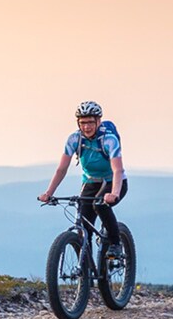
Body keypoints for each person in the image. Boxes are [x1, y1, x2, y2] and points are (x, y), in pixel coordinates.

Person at [38, 101, 128, 258]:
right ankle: (85, 272)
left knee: (100, 205)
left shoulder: (109, 140)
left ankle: (115, 243)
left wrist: (114, 193)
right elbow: (61, 169)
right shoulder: (74, 140)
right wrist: (48, 193)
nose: (86, 127)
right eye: (83, 123)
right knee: (83, 227)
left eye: (90, 122)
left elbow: (117, 169)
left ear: (98, 122)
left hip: (113, 182)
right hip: (91, 182)